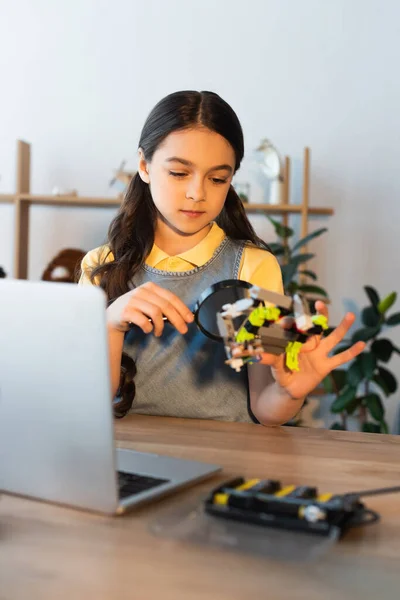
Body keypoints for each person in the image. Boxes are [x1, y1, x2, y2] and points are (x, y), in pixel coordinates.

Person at [79, 90, 364, 425]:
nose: (197, 193)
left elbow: (264, 407)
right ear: (144, 165)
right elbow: (87, 405)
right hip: (130, 458)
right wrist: (111, 324)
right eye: (178, 173)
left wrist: (289, 393)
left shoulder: (254, 266)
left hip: (225, 459)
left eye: (217, 179)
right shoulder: (100, 265)